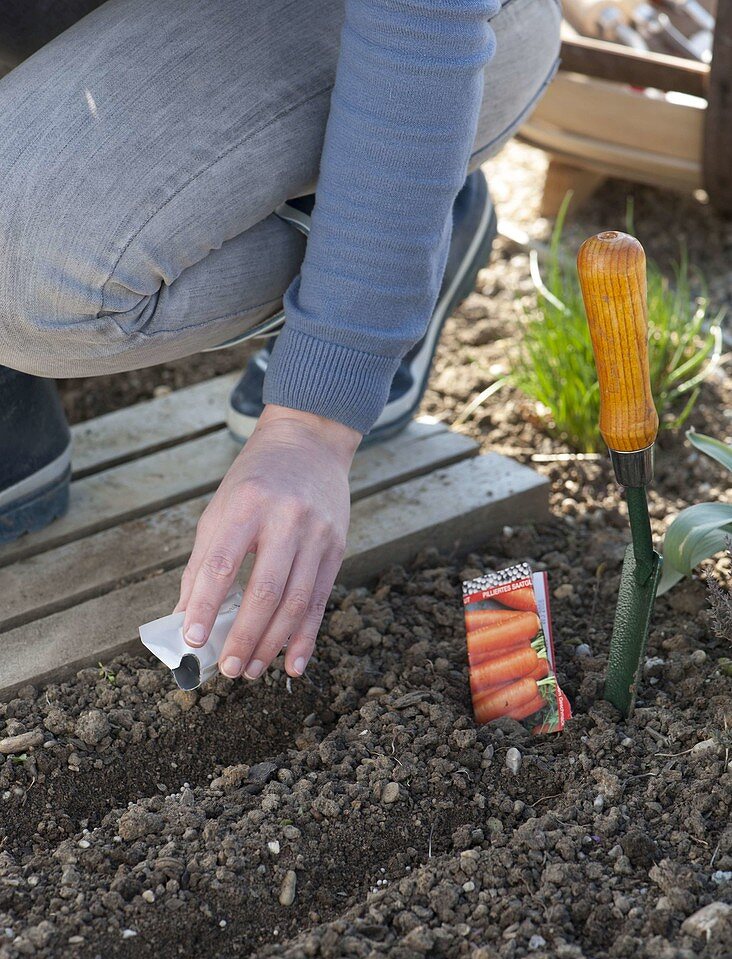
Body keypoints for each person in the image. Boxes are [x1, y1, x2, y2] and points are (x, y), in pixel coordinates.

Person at [0, 0, 560, 682]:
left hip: (421, 39)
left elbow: (424, 15)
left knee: (22, 271)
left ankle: (406, 233)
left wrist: (315, 420)